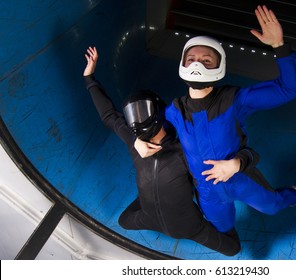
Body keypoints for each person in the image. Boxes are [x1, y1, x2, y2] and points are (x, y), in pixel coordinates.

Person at [136, 5, 296, 233]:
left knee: (272, 206)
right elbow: (150, 130)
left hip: (240, 178)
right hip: (207, 191)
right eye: (191, 59)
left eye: (206, 60)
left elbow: (289, 89)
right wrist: (137, 139)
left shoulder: (235, 100)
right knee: (223, 226)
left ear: (219, 66)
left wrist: (279, 46)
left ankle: (291, 194)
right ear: (183, 64)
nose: (197, 64)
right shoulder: (174, 111)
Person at [82, 46, 260, 256]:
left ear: (159, 114)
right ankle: (148, 196)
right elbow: (109, 116)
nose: (137, 120)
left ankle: (153, 197)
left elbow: (217, 176)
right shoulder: (135, 143)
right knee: (123, 221)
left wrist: (236, 164)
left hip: (187, 227)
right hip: (150, 217)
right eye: (132, 115)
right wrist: (89, 77)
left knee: (233, 248)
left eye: (142, 112)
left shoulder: (186, 150)